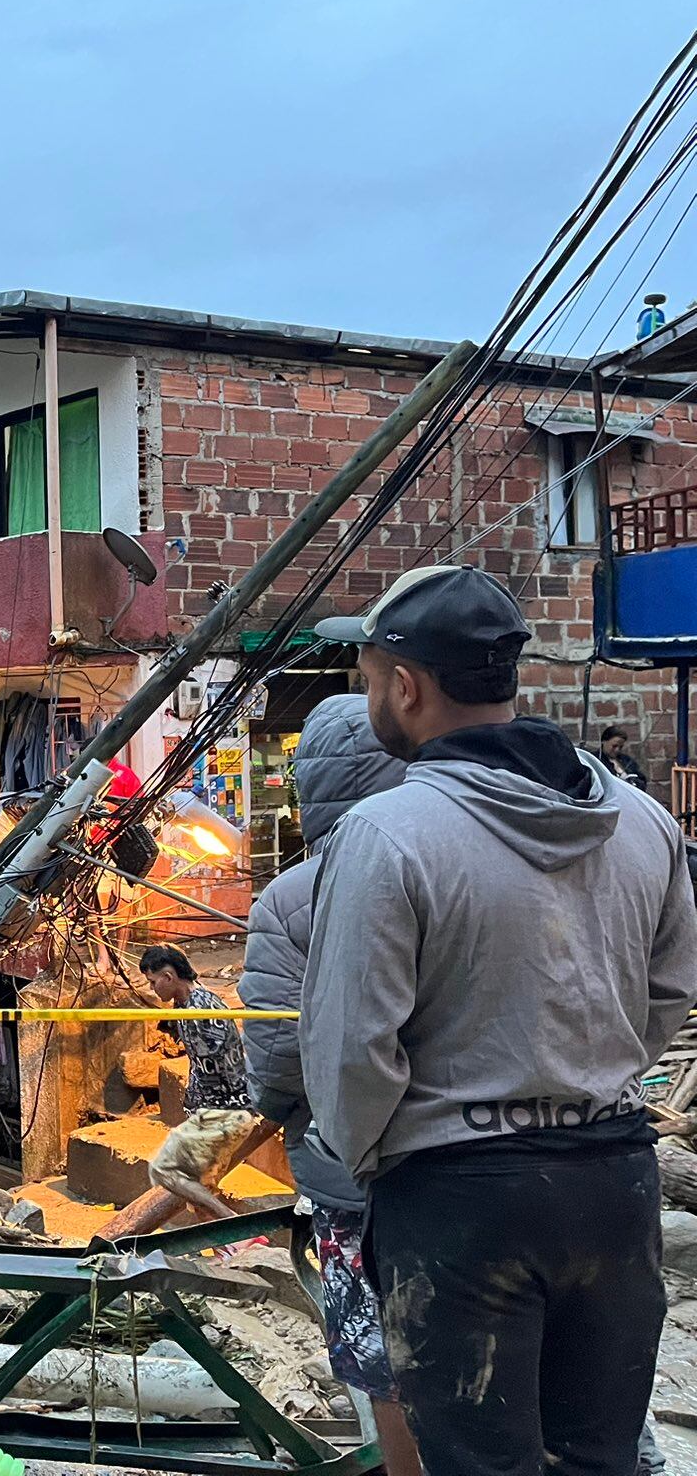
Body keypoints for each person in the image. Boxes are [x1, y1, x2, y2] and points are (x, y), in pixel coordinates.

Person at [303, 565, 697, 1476]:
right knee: (601, 1461)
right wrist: (588, 1073)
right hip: (615, 1179)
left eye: (367, 678)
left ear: (406, 684)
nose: (371, 695)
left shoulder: (386, 832)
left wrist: (373, 1159)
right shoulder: (638, 819)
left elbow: (353, 1047)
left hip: (459, 1201)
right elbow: (670, 990)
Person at [237, 697, 419, 1476]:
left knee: (384, 1364)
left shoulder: (292, 898)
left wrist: (281, 1114)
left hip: (352, 1175)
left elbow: (278, 1058)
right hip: (492, 1163)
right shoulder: (461, 853)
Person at [138, 944, 255, 1220]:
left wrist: (199, 1117)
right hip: (211, 1109)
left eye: (153, 982)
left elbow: (218, 1067)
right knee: (197, 1184)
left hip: (224, 1110)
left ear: (169, 977)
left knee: (164, 1171)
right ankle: (228, 1247)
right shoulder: (184, 1003)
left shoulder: (201, 1006)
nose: (152, 989)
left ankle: (230, 1223)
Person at [602, 725, 649, 792]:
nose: (617, 750)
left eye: (620, 747)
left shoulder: (627, 760)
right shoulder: (596, 760)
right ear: (604, 742)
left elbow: (642, 780)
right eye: (614, 746)